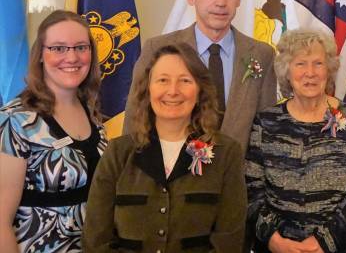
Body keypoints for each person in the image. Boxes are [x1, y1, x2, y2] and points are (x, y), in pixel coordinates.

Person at [84, 43, 246, 252]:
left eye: (185, 81)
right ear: (148, 89)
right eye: (163, 80)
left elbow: (228, 241)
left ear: (200, 90)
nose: (173, 91)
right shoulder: (118, 152)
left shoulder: (226, 153)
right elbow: (96, 239)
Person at [124, 0, 277, 151]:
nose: (221, 2)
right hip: (172, 176)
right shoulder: (158, 48)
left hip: (239, 177)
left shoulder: (262, 54)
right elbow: (135, 119)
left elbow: (266, 130)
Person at [245, 29, 346, 253]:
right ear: (287, 71)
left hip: (341, 246)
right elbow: (252, 189)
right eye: (300, 64)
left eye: (318, 63)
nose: (310, 73)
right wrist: (274, 239)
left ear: (329, 69)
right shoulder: (266, 121)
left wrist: (324, 241)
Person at [0, 10, 106, 252]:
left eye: (81, 47)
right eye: (58, 48)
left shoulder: (92, 111)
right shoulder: (15, 120)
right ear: (40, 55)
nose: (72, 57)